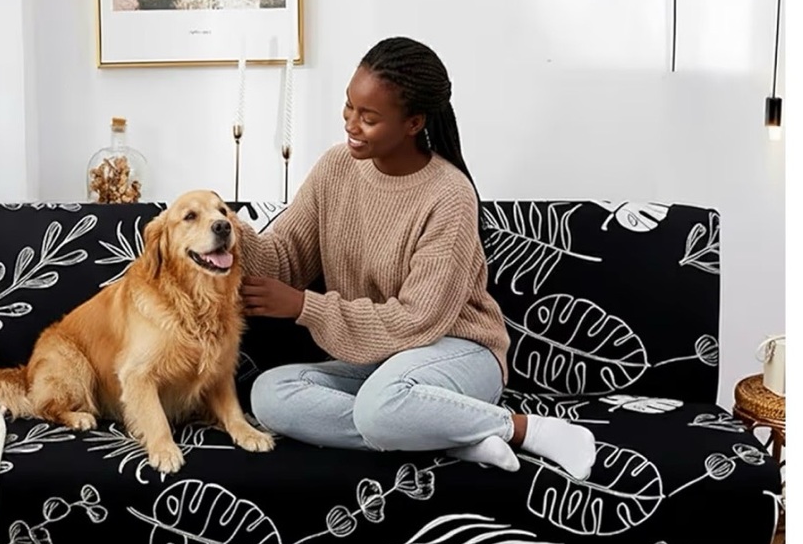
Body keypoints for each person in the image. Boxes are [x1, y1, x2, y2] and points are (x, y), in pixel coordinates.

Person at [236, 36, 595, 479]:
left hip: (459, 352)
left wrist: (304, 306)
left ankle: (523, 429)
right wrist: (228, 230)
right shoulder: (335, 168)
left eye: (369, 118)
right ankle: (453, 436)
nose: (351, 124)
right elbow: (285, 256)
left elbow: (418, 321)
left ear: (413, 123)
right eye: (349, 107)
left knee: (380, 408)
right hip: (379, 362)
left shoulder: (449, 195)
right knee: (270, 393)